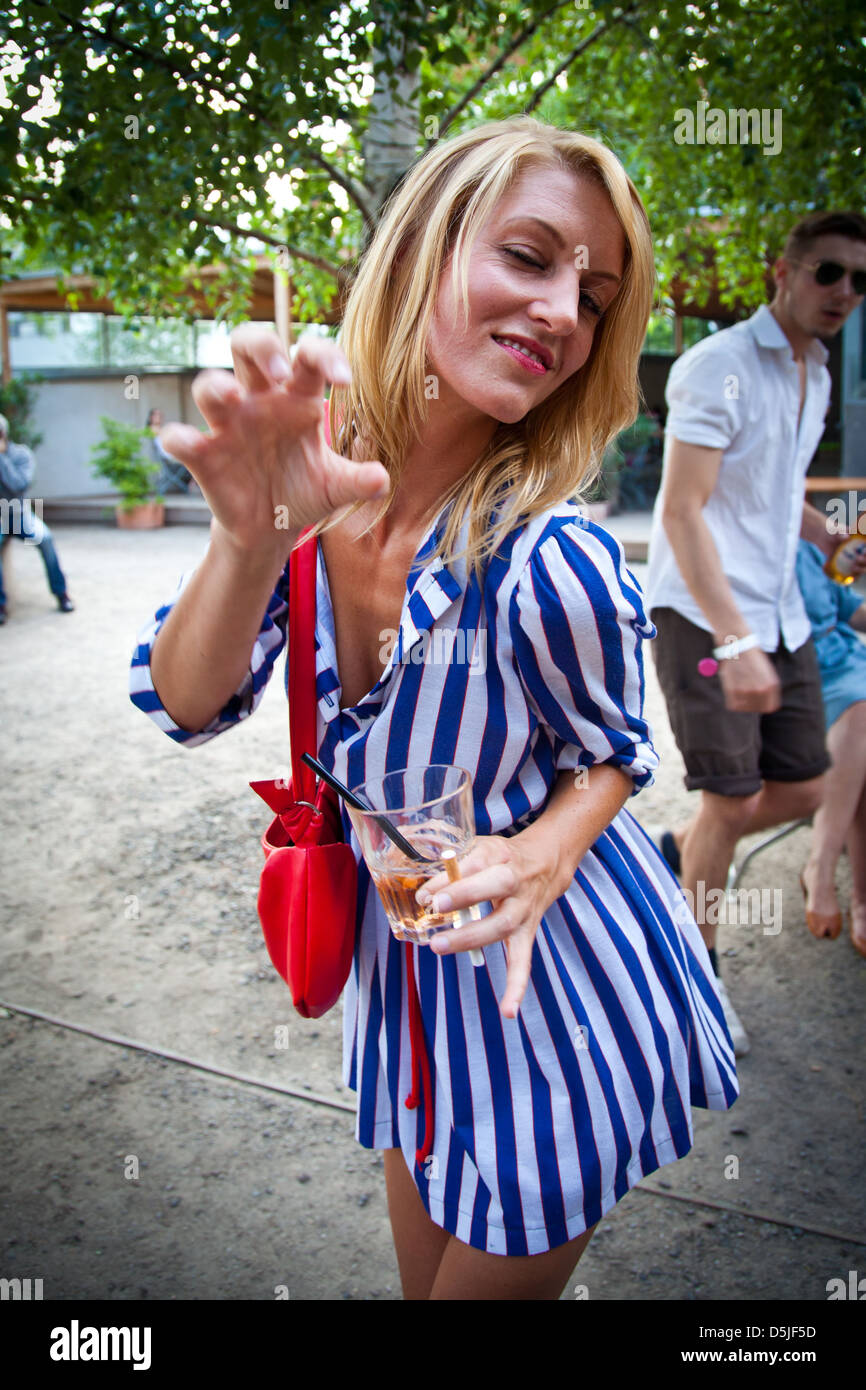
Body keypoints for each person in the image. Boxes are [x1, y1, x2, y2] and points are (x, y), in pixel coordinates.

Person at [130, 117, 737, 1300]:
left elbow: (615, 752)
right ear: (421, 252)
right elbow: (189, 701)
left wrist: (541, 853)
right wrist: (247, 538)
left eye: (596, 295)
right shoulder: (312, 495)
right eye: (529, 255)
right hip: (406, 994)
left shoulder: (547, 554)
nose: (565, 311)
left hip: (549, 997)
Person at [643, 211, 866, 1056]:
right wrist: (734, 643)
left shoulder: (811, 369)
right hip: (706, 613)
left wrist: (829, 540)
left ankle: (686, 844)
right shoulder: (719, 366)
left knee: (807, 788)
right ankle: (693, 978)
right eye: (829, 272)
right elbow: (683, 510)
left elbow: (772, 492)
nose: (844, 291)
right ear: (784, 270)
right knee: (733, 800)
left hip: (781, 611)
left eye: (859, 280)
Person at [795, 538, 866, 955]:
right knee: (862, 713)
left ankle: (854, 893)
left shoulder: (809, 546)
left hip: (847, 661)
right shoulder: (749, 545)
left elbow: (848, 607)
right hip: (802, 676)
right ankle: (824, 872)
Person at [0, 412, 74, 623]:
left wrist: (1, 458)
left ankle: (61, 594)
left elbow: (18, 486)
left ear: (4, 434)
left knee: (46, 540)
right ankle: (1, 605)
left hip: (19, 513)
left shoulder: (22, 455)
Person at [146, 407, 192, 493]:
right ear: (151, 417)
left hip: (169, 455)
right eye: (156, 415)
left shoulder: (159, 429)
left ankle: (191, 484)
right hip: (168, 457)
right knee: (192, 460)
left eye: (160, 415)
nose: (159, 417)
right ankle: (191, 485)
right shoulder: (154, 429)